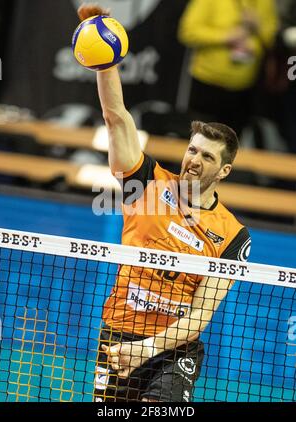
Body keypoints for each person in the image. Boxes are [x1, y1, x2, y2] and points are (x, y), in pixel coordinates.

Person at [77, 4, 251, 403]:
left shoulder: (233, 235)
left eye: (208, 157)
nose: (194, 160)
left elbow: (199, 318)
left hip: (174, 348)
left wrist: (148, 349)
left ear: (223, 172)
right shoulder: (146, 183)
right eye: (193, 150)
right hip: (119, 332)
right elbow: (116, 117)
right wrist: (105, 59)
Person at [177, 0, 279, 136]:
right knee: (199, 139)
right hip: (207, 83)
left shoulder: (265, 3)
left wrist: (254, 40)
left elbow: (270, 37)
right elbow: (187, 31)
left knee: (232, 141)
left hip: (243, 88)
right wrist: (225, 37)